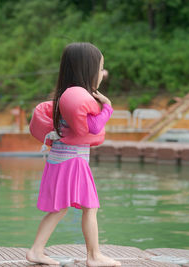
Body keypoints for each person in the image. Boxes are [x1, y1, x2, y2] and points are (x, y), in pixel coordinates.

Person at [26, 42, 121, 267]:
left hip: (60, 159)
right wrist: (107, 107)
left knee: (60, 209)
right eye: (100, 68)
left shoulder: (65, 96)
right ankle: (94, 256)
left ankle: (36, 251)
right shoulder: (78, 98)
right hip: (73, 161)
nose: (102, 74)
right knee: (90, 207)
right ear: (87, 70)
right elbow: (94, 127)